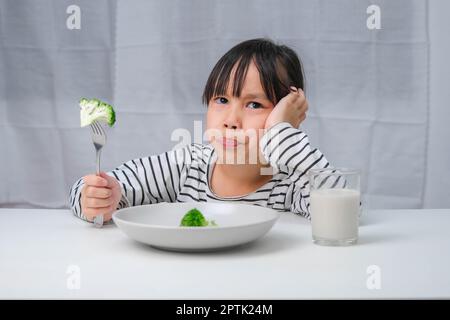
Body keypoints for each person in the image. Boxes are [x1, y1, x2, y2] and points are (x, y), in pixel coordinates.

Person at [69, 38, 343, 224]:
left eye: (254, 104)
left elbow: (342, 213)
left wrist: (282, 131)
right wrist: (98, 197)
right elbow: (102, 187)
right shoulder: (186, 165)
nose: (231, 120)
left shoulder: (291, 181)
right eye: (221, 100)